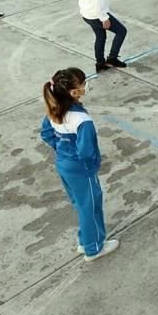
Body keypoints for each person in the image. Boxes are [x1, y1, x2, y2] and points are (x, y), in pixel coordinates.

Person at [40, 67, 120, 262]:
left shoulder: (54, 108)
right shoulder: (82, 120)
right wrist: (92, 163)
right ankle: (93, 248)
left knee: (80, 204)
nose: (86, 86)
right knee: (91, 206)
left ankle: (85, 241)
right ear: (75, 92)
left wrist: (63, 150)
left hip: (63, 165)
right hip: (81, 169)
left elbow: (46, 134)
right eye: (83, 84)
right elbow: (85, 150)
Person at [76, 0, 128, 72]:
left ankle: (100, 63)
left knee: (100, 36)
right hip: (96, 15)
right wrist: (104, 18)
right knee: (121, 31)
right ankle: (112, 58)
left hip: (87, 14)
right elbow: (97, 2)